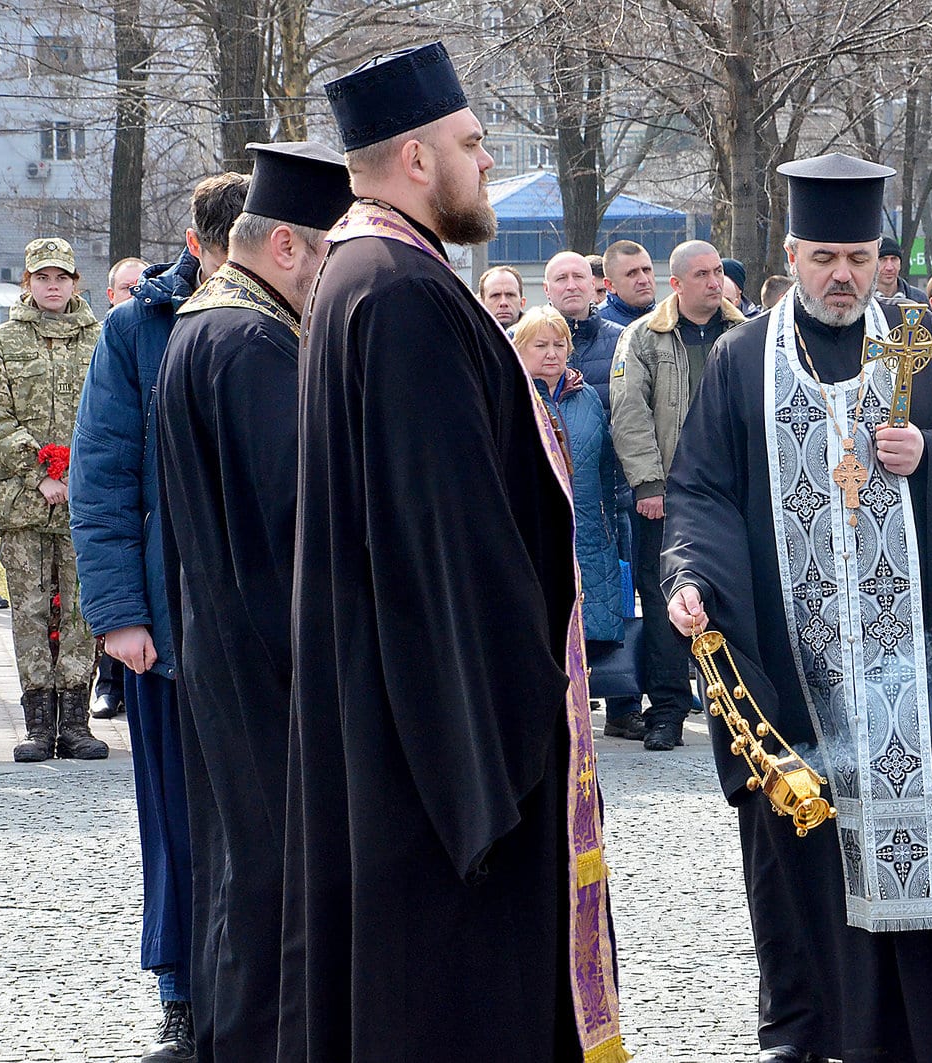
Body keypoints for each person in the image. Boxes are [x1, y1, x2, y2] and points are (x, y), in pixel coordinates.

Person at [282, 42, 625, 1061]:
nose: (484, 165)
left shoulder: (365, 273)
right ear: (418, 159)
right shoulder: (397, 291)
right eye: (473, 146)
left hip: (391, 721)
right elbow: (445, 542)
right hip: (440, 754)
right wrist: (510, 738)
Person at [662, 151, 932, 1063]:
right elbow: (698, 490)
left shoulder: (919, 345)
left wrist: (928, 452)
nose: (843, 274)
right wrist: (688, 575)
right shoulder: (743, 359)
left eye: (858, 254)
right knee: (799, 845)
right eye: (824, 256)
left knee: (919, 836)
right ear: (791, 253)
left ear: (881, 254)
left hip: (904, 673)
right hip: (790, 658)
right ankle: (809, 1027)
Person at [155, 142, 354, 1062]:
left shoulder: (203, 323)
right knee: (274, 880)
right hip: (268, 655)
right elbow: (299, 513)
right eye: (327, 257)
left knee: (245, 870)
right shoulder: (253, 341)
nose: (330, 282)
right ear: (285, 248)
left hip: (226, 646)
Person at [72, 170, 248, 1063]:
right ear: (201, 246)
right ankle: (180, 994)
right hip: (165, 635)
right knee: (176, 823)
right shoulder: (134, 328)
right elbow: (101, 480)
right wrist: (118, 616)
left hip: (260, 632)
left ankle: (263, 991)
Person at [609, 238, 746, 751]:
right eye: (703, 274)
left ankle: (736, 707)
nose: (715, 282)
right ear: (677, 284)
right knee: (666, 599)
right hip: (668, 493)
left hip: (734, 492)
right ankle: (667, 709)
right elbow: (629, 411)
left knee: (733, 600)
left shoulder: (746, 333)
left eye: (718, 272)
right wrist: (648, 484)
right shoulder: (643, 337)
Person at [0, 238, 107, 764]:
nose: (52, 286)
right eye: (42, 278)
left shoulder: (101, 339)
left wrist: (78, 473)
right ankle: (39, 724)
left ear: (75, 282)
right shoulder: (3, 341)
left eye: (61, 277)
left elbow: (110, 413)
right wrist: (44, 470)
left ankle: (76, 723)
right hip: (23, 500)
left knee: (84, 611)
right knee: (31, 611)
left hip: (86, 500)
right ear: (28, 282)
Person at [515, 306, 635, 726]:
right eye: (540, 345)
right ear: (519, 347)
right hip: (532, 529)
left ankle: (579, 718)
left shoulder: (586, 397)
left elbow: (606, 466)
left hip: (588, 528)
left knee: (583, 633)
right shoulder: (510, 394)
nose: (552, 353)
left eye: (559, 343)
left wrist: (609, 523)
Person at [599, 239, 657, 326]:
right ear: (610, 285)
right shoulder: (595, 326)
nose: (644, 280)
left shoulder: (670, 319)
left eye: (646, 270)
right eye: (632, 273)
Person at [877, 235, 926, 301]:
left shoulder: (918, 298)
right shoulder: (862, 299)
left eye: (894, 259)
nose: (889, 267)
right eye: (883, 259)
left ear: (900, 264)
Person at [477, 263, 526, 330]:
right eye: (495, 295)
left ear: (522, 302)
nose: (503, 303)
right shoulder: (468, 337)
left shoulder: (538, 336)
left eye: (510, 295)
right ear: (482, 304)